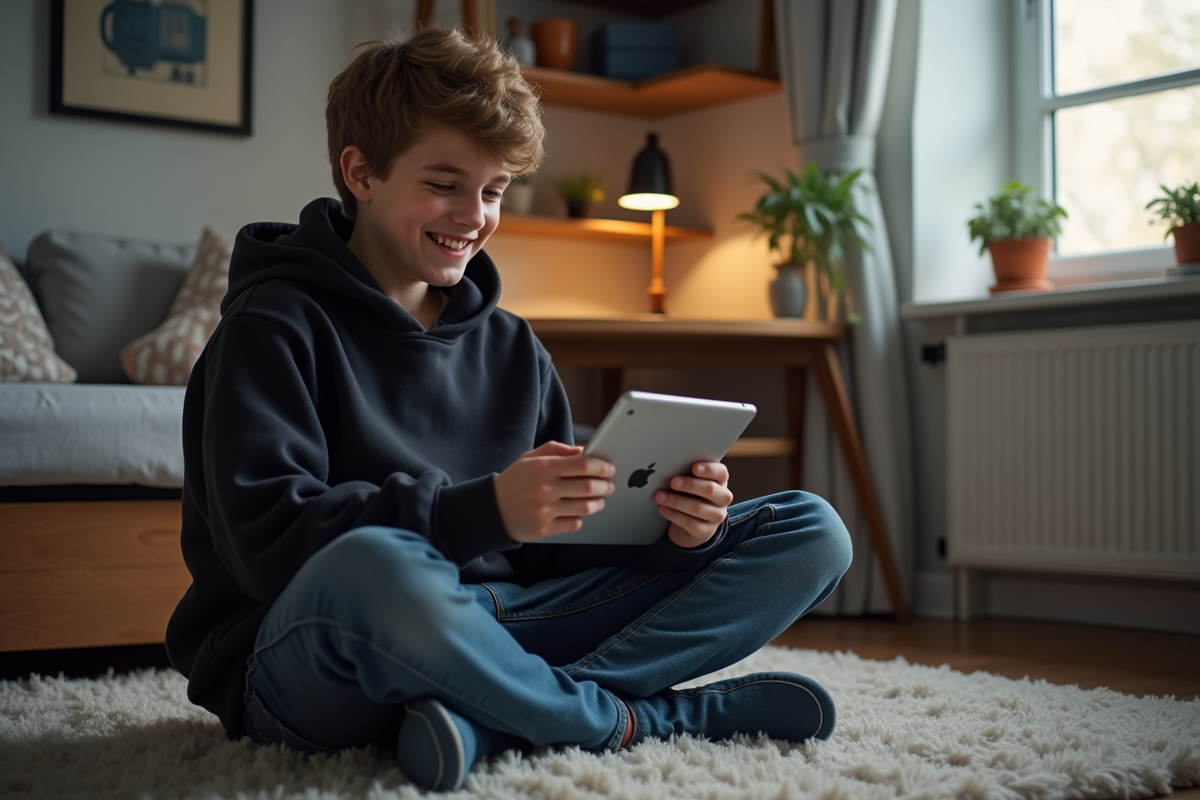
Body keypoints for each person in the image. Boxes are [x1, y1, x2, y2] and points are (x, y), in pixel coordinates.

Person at [165, 26, 853, 793]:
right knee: (374, 567)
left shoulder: (513, 346)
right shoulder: (270, 326)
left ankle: (487, 716)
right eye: (445, 183)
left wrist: (677, 536)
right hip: (313, 655)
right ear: (360, 172)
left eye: (493, 191)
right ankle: (636, 720)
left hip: (506, 625)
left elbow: (549, 554)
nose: (474, 214)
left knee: (811, 530)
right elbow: (270, 547)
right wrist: (484, 509)